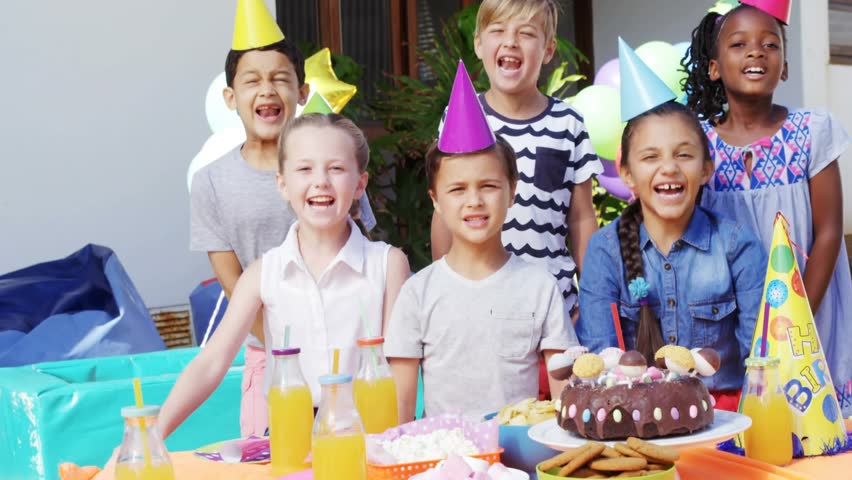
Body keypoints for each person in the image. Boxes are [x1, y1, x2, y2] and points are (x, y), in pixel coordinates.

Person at [190, 1, 375, 435]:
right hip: (267, 351)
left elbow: (359, 247)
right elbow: (232, 280)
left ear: (303, 91)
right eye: (252, 81)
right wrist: (285, 344)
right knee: (270, 458)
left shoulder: (330, 164)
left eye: (280, 79)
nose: (267, 90)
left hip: (343, 354)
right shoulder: (211, 182)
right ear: (231, 97)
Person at [163, 113, 410, 438]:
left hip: (370, 436)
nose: (320, 180)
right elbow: (211, 362)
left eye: (335, 168)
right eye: (305, 169)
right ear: (282, 184)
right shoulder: (262, 274)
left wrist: (397, 449)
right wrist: (152, 433)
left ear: (359, 184)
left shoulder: (388, 265)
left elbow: (402, 371)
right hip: (288, 438)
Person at [683, 2, 852, 414]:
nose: (756, 52)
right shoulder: (699, 147)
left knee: (814, 420)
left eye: (770, 45)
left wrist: (798, 318)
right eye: (739, 44)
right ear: (715, 67)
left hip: (809, 307)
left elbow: (829, 230)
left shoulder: (812, 131)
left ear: (785, 67)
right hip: (730, 316)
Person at [385, 63, 577, 422]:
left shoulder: (540, 287)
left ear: (512, 192)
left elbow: (563, 406)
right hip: (443, 463)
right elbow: (401, 414)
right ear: (436, 201)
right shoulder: (417, 293)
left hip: (517, 462)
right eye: (457, 190)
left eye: (488, 186)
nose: (474, 200)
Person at [430, 0, 601, 324]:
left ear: (548, 49)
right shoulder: (461, 116)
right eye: (498, 31)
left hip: (556, 306)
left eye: (525, 33)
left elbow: (581, 218)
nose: (510, 41)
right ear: (479, 44)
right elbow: (444, 212)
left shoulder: (568, 123)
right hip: (476, 303)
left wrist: (591, 298)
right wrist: (445, 288)